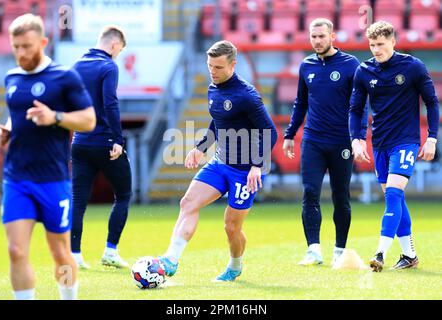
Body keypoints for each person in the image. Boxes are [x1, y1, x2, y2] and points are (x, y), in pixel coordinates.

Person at [0, 14, 96, 299]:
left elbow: (88, 120)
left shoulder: (64, 77)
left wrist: (55, 116)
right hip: (17, 178)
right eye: (16, 47)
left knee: (60, 252)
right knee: (15, 251)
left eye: (27, 46)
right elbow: (17, 118)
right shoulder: (12, 77)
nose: (21, 53)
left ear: (43, 42)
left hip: (53, 179)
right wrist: (5, 133)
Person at [157, 40, 278, 281]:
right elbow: (218, 121)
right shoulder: (213, 87)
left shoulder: (247, 95)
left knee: (231, 227)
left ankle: (235, 266)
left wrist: (257, 165)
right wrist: (201, 148)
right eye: (210, 66)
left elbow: (270, 131)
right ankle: (171, 259)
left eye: (219, 67)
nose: (213, 71)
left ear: (233, 64)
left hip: (246, 171)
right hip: (220, 162)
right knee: (187, 203)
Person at [349, 21, 439, 272]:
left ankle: (380, 252)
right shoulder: (364, 71)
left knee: (394, 195)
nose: (376, 49)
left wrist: (432, 137)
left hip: (406, 141)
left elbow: (431, 102)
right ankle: (410, 256)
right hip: (380, 143)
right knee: (394, 199)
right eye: (372, 45)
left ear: (393, 42)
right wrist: (356, 139)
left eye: (380, 44)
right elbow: (356, 109)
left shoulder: (413, 66)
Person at [282, 18, 367, 266]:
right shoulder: (306, 66)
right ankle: (313, 250)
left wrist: (358, 138)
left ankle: (339, 250)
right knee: (310, 192)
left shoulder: (351, 65)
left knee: (341, 195)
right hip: (313, 140)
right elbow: (300, 103)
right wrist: (289, 134)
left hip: (342, 141)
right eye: (313, 36)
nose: (317, 41)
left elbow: (361, 106)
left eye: (321, 36)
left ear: (332, 37)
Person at [70, 26, 132, 269]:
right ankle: (110, 251)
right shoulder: (108, 66)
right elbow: (110, 103)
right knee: (124, 194)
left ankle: (74, 255)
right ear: (115, 45)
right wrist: (118, 138)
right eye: (120, 51)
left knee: (78, 201)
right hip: (105, 142)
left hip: (80, 142)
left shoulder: (76, 66)